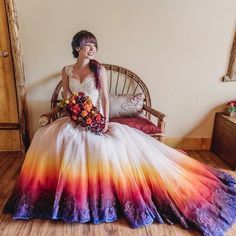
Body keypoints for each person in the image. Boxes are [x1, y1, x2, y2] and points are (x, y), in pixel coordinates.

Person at [3, 30, 236, 236]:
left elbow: (103, 99)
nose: (92, 48)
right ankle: (60, 197)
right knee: (50, 138)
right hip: (74, 119)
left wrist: (103, 121)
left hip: (96, 120)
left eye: (94, 45)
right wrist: (75, 111)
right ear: (77, 47)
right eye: (87, 44)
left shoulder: (99, 70)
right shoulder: (66, 71)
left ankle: (97, 197)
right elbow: (67, 98)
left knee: (102, 147)